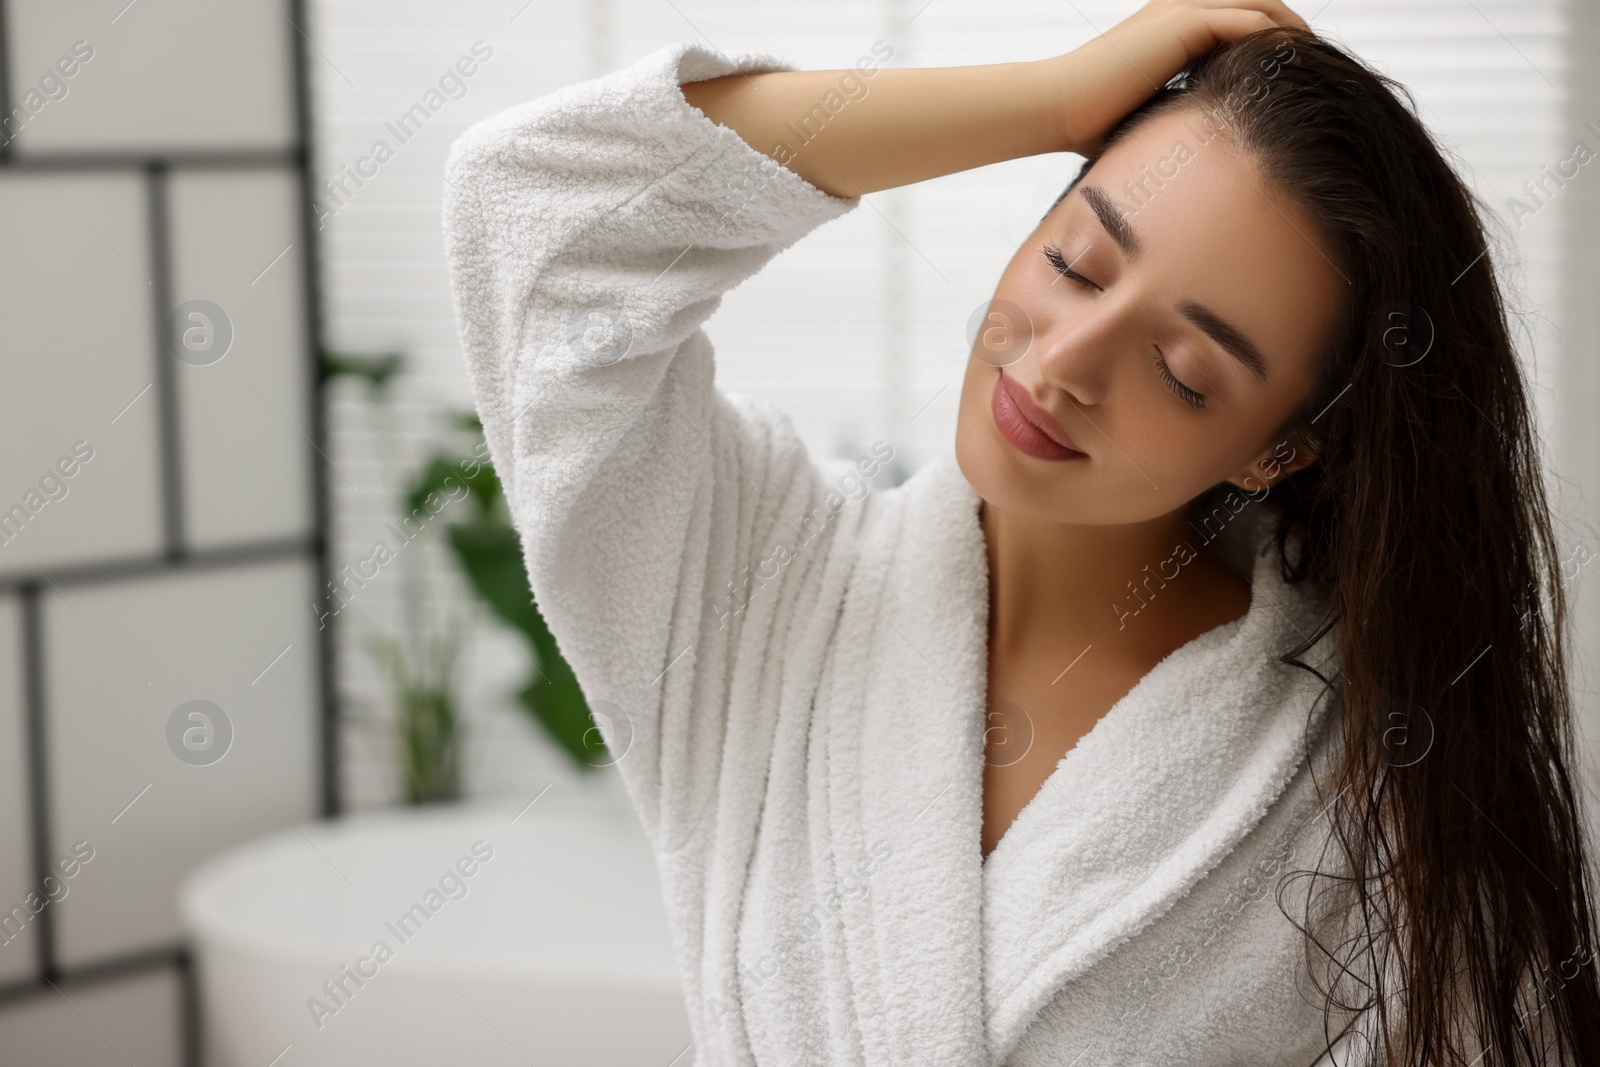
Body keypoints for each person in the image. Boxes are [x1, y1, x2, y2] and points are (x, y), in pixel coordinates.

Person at [442, 1, 1600, 1062]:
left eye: (1181, 369)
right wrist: (1051, 99)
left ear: (1276, 451)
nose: (1059, 362)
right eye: (1075, 260)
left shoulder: (1358, 796)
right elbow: (536, 217)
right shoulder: (755, 585)